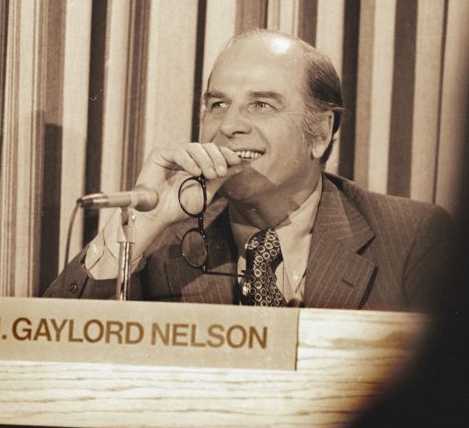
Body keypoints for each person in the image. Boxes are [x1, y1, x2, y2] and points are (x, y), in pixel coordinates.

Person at [44, 29, 457, 311]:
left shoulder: (411, 237)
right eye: (217, 104)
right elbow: (50, 349)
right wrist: (143, 226)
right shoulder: (159, 240)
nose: (229, 125)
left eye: (261, 104)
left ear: (321, 132)